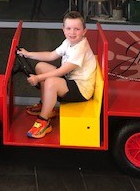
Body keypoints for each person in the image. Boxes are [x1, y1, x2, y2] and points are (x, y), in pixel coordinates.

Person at [17, 11, 97, 139]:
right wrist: (28, 54)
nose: (72, 32)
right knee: (40, 66)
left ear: (84, 31)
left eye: (77, 29)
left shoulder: (80, 48)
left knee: (51, 82)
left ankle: (43, 121)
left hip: (81, 89)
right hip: (70, 80)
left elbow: (61, 71)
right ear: (63, 29)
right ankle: (47, 106)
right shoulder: (68, 42)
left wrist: (37, 78)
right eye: (69, 28)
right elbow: (51, 55)